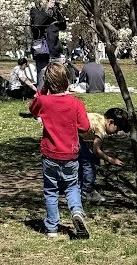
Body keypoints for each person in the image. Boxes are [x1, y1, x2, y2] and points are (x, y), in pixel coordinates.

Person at [23, 61, 90, 238]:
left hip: (50, 155)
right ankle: (76, 211)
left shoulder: (44, 102)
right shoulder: (75, 103)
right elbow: (85, 126)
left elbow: (33, 109)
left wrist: (42, 91)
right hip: (70, 154)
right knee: (72, 186)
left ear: (47, 82)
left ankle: (52, 227)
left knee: (50, 190)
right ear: (67, 81)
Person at [79, 106, 130, 195]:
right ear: (111, 122)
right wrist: (111, 160)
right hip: (73, 136)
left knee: (85, 158)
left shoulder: (98, 117)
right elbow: (96, 150)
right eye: (117, 129)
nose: (116, 133)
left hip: (74, 133)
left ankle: (79, 183)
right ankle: (87, 190)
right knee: (88, 164)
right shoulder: (101, 130)